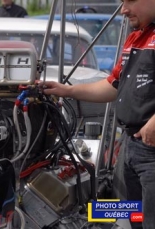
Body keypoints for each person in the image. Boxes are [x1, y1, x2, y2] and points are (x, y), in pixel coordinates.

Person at [41, 0, 155, 228]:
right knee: (134, 218)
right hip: (130, 146)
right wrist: (67, 90)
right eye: (122, 2)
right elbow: (113, 85)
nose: (123, 10)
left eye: (130, 1)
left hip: (151, 151)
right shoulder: (135, 37)